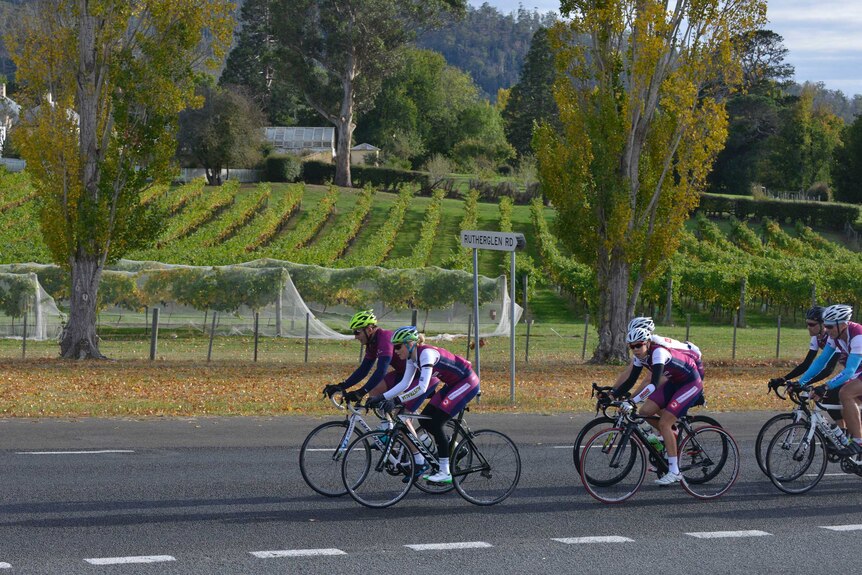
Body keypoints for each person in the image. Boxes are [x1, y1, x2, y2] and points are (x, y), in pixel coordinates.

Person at [368, 326, 480, 485]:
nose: (395, 351)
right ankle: (455, 450)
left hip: (467, 382)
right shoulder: (411, 358)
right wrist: (381, 397)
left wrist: (396, 401)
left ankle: (444, 472)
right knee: (425, 420)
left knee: (436, 422)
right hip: (453, 384)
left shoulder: (426, 355)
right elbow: (405, 384)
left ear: (410, 344)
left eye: (398, 346)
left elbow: (421, 387)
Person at [617, 326, 705, 486]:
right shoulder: (640, 357)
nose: (635, 349)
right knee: (645, 412)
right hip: (674, 382)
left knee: (664, 422)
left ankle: (674, 472)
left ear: (648, 343)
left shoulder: (658, 353)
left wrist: (632, 401)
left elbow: (653, 384)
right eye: (631, 346)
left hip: (690, 383)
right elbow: (630, 381)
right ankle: (671, 435)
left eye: (639, 345)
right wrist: (613, 395)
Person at [796, 304, 862, 456]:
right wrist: (800, 382)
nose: (827, 330)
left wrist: (825, 385)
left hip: (857, 372)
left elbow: (849, 371)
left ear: (843, 324)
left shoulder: (858, 335)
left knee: (846, 393)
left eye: (830, 326)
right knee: (840, 397)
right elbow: (820, 361)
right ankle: (849, 439)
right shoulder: (836, 336)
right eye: (825, 326)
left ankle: (858, 442)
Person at [768, 306, 843, 426]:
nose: (808, 327)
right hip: (850, 368)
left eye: (812, 324)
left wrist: (804, 383)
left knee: (832, 395)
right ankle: (843, 433)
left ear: (823, 324)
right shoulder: (816, 338)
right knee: (829, 398)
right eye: (807, 324)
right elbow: (807, 364)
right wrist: (784, 379)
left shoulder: (835, 336)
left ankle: (850, 435)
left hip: (854, 370)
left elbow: (829, 369)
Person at [321, 310, 403, 403]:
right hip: (402, 373)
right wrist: (342, 386)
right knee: (374, 391)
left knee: (403, 410)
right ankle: (388, 418)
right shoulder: (372, 342)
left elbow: (381, 370)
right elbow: (363, 369)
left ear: (369, 329)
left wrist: (362, 391)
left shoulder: (385, 337)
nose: (355, 336)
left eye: (357, 332)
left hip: (416, 375)